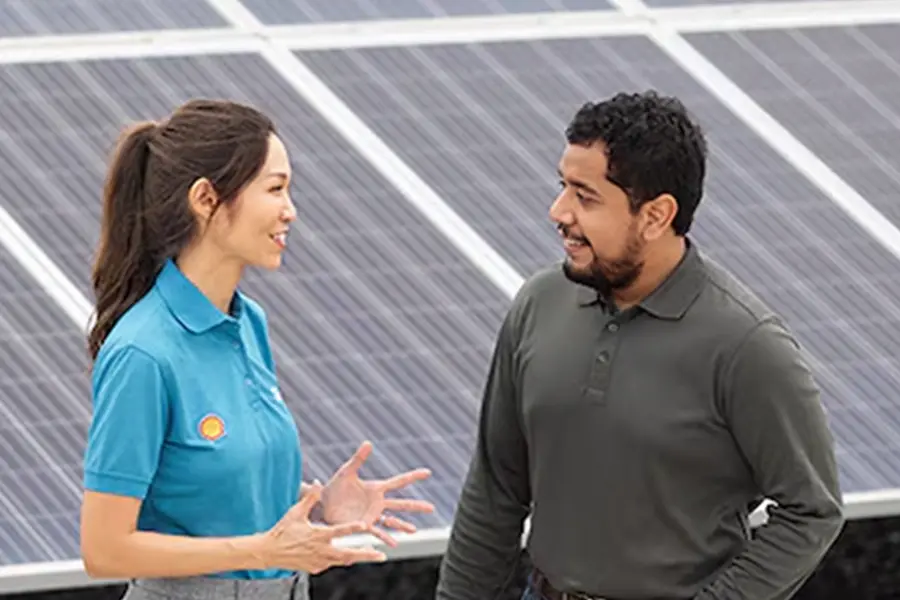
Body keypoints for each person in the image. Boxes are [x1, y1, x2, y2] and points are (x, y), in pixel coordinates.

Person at [436, 91, 845, 600]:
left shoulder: (748, 346)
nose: (558, 211)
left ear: (655, 216)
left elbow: (812, 511)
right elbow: (495, 487)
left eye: (585, 197)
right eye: (563, 187)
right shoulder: (539, 303)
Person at [80, 98, 435, 600]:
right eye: (275, 188)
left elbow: (217, 488)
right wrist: (263, 552)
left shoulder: (249, 324)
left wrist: (318, 504)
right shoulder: (142, 353)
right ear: (205, 199)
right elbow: (105, 549)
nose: (291, 210)